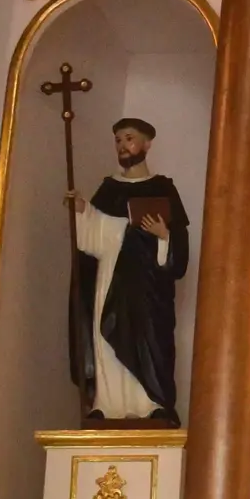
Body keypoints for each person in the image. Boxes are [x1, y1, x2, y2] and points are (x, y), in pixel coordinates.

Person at [69, 117, 191, 424]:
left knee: (150, 340)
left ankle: (151, 403)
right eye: (119, 140)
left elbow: (178, 251)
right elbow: (94, 239)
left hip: (149, 288)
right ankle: (107, 405)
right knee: (105, 337)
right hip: (111, 278)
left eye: (130, 139)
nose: (123, 146)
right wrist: (84, 212)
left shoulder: (164, 189)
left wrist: (165, 236)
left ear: (147, 144)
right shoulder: (108, 189)